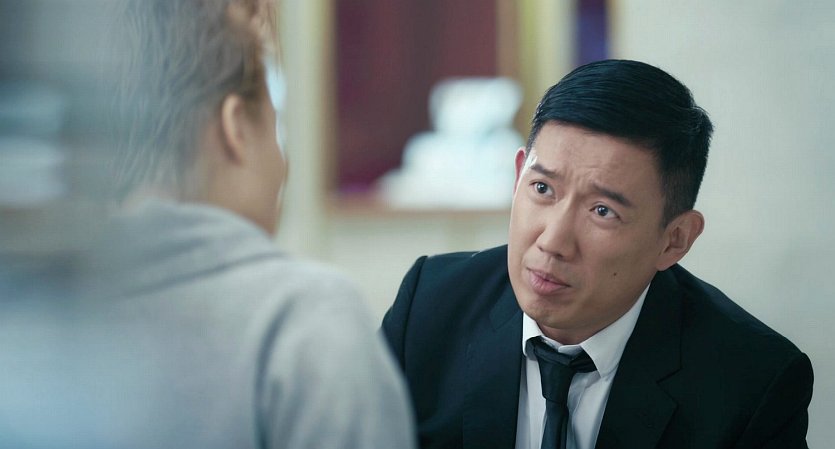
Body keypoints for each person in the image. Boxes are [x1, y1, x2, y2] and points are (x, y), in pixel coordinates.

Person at [0, 0, 415, 448]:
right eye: (274, 124)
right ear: (236, 128)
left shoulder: (33, 323)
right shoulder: (306, 323)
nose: (283, 164)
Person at [382, 59, 813, 449]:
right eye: (542, 188)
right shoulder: (429, 309)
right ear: (517, 178)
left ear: (675, 240)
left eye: (603, 211)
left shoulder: (753, 383)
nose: (553, 241)